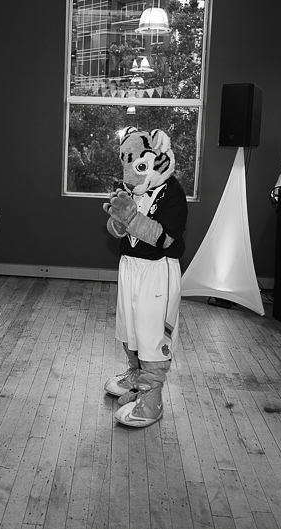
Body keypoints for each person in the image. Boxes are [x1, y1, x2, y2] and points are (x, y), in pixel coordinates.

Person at [103, 127, 187, 428]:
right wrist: (119, 223)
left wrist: (130, 218)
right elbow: (117, 230)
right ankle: (137, 376)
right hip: (130, 266)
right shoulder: (131, 190)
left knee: (152, 334)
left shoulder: (173, 193)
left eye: (139, 167)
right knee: (130, 328)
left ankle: (153, 399)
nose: (130, 177)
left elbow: (164, 238)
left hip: (157, 270)